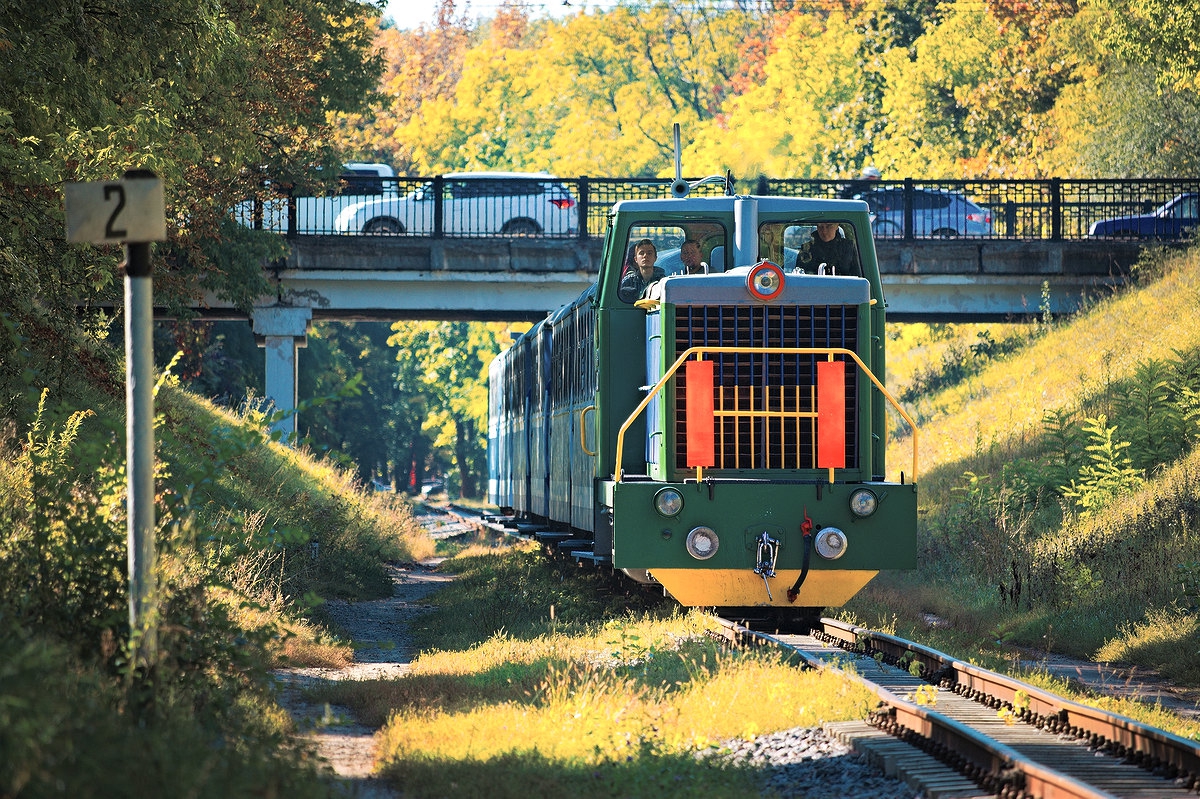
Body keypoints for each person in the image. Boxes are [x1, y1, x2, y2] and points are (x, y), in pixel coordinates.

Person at [796, 222, 861, 275]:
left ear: (837, 225)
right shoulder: (806, 249)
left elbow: (859, 275)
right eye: (820, 226)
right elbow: (799, 275)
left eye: (829, 226)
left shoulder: (849, 247)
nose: (824, 231)